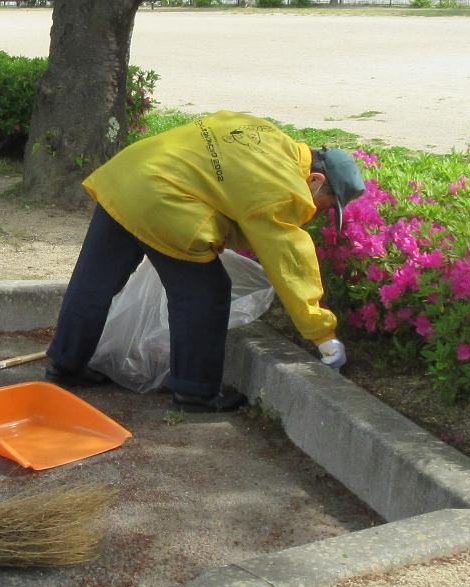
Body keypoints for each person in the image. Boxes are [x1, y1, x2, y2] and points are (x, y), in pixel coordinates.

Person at [46, 111, 367, 411]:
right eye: (324, 206)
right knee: (205, 291)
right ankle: (196, 390)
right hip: (162, 199)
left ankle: (65, 363)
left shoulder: (267, 135)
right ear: (314, 180)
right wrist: (324, 336)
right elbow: (290, 261)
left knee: (94, 282)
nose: (316, 215)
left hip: (126, 177)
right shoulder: (284, 188)